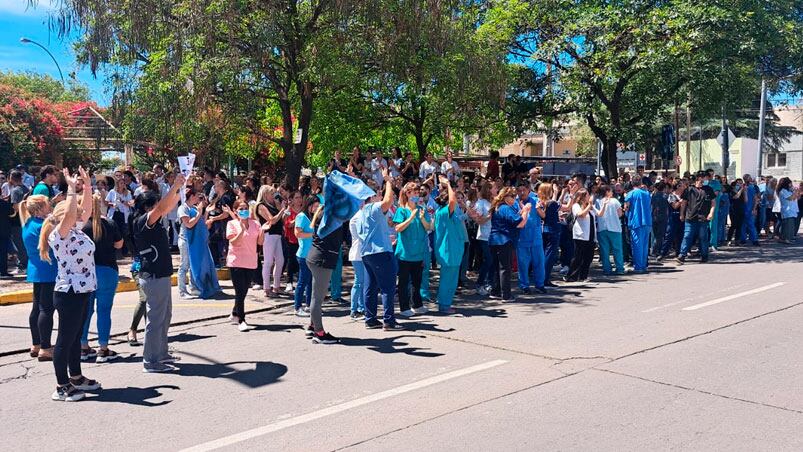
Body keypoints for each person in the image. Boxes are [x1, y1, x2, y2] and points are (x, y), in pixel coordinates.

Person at [42, 167, 100, 401]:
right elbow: (69, 214)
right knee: (64, 341)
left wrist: (86, 185)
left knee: (75, 337)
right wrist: (70, 188)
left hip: (83, 290)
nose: (79, 214)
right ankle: (61, 385)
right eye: (72, 212)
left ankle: (75, 376)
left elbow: (86, 210)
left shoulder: (75, 229)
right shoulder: (60, 233)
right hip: (69, 293)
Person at [133, 173, 186, 373]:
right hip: (153, 276)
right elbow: (163, 207)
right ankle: (150, 361)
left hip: (161, 275)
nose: (160, 209)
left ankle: (161, 353)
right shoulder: (142, 221)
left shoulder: (152, 219)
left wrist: (179, 189)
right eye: (154, 205)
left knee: (164, 317)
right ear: (148, 207)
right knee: (155, 320)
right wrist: (174, 187)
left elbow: (168, 206)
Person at [80, 194, 124, 363]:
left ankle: (83, 347)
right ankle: (103, 348)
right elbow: (119, 244)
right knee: (104, 311)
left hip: (87, 272)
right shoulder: (109, 223)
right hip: (107, 270)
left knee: (86, 311)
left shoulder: (82, 226)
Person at [357, 168, 401, 330]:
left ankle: (370, 318)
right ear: (370, 198)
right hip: (381, 253)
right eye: (376, 194)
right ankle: (389, 320)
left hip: (368, 253)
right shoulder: (372, 208)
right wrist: (387, 180)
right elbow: (388, 201)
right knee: (388, 287)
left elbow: (371, 232)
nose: (379, 196)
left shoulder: (361, 213)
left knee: (370, 287)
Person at [21, 195, 57, 362]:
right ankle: (45, 347)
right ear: (40, 208)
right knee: (46, 309)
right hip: (48, 269)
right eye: (47, 204)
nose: (50, 206)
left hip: (36, 269)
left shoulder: (27, 223)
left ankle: (36, 344)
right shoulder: (43, 225)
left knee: (37, 308)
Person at [305, 201, 342, 344]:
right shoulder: (330, 218)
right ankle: (319, 333)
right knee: (317, 298)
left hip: (316, 257)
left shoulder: (326, 214)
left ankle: (312, 326)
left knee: (317, 295)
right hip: (322, 260)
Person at [393, 182, 432, 317]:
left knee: (417, 281)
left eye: (417, 192)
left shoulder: (422, 209)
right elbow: (397, 228)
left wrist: (421, 218)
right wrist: (410, 217)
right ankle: (404, 307)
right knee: (404, 282)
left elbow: (428, 227)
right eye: (414, 192)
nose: (416, 195)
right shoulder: (401, 210)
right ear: (407, 194)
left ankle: (417, 304)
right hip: (405, 253)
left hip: (419, 252)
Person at [224, 201, 264, 331]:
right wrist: (241, 231)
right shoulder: (231, 224)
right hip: (236, 262)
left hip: (251, 261)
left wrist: (263, 231)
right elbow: (233, 242)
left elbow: (259, 242)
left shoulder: (255, 224)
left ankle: (235, 312)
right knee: (239, 290)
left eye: (246, 208)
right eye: (241, 209)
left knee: (244, 291)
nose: (244, 210)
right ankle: (241, 319)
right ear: (235, 211)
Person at [488, 187, 530, 300]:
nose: (514, 198)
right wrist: (525, 211)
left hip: (494, 240)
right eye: (512, 196)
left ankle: (495, 291)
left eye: (514, 196)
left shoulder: (498, 207)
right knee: (505, 268)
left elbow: (513, 219)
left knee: (497, 267)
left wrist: (522, 212)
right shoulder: (505, 208)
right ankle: (506, 295)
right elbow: (518, 222)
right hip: (504, 240)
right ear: (505, 196)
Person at [434, 176, 465, 313]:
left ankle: (446, 302)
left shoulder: (444, 213)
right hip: (449, 250)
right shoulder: (444, 212)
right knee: (448, 279)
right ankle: (444, 304)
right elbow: (452, 200)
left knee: (451, 278)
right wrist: (448, 184)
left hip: (453, 249)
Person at [677, 171, 717, 264]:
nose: (706, 180)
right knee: (687, 236)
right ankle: (682, 255)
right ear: (699, 178)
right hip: (690, 217)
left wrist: (711, 213)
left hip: (703, 218)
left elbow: (713, 202)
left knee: (703, 237)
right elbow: (684, 203)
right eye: (704, 178)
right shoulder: (689, 189)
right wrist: (682, 214)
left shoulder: (708, 189)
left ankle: (704, 255)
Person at [515, 183, 546, 294]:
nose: (522, 192)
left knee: (539, 262)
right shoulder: (514, 203)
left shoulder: (535, 200)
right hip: (522, 237)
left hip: (536, 236)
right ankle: (524, 285)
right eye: (520, 190)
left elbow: (543, 216)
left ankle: (540, 284)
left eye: (524, 189)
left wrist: (538, 209)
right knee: (523, 264)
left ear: (528, 190)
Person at [256, 185, 287, 297]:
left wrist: (281, 207)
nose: (273, 195)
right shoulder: (261, 206)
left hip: (277, 234)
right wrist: (282, 210)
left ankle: (276, 286)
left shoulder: (273, 204)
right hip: (268, 234)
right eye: (271, 193)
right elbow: (272, 220)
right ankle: (266, 288)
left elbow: (281, 219)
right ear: (265, 194)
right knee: (268, 262)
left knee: (280, 260)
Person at [176, 189, 205, 299]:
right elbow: (188, 224)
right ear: (191, 196)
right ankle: (182, 291)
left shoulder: (193, 208)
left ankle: (193, 287)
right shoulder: (183, 208)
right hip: (185, 240)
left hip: (193, 240)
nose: (198, 198)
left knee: (192, 265)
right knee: (184, 265)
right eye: (197, 195)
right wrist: (199, 214)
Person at [293, 196, 318, 317]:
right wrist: (312, 234)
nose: (317, 208)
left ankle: (309, 305)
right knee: (302, 281)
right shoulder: (301, 217)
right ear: (309, 205)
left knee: (310, 282)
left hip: (312, 254)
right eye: (315, 206)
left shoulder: (312, 217)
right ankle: (297, 307)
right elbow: (297, 233)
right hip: (304, 254)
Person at [565, 189, 595, 282]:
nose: (589, 197)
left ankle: (583, 276)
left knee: (588, 257)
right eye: (587, 195)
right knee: (578, 256)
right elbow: (581, 215)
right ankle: (571, 276)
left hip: (590, 234)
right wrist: (589, 205)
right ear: (582, 197)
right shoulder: (576, 206)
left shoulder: (589, 207)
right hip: (580, 235)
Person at [469, 182, 493, 295]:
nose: (496, 190)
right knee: (488, 260)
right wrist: (489, 216)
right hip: (484, 235)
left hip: (496, 236)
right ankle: (480, 283)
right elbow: (477, 220)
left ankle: (491, 283)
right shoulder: (481, 203)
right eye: (493, 188)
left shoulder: (497, 201)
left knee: (493, 261)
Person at [595, 185, 624, 275]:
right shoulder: (614, 201)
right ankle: (619, 268)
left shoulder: (598, 201)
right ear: (607, 192)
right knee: (617, 249)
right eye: (611, 191)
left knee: (604, 250)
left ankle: (607, 269)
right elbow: (620, 214)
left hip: (602, 228)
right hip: (614, 228)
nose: (612, 192)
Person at [624, 178, 652, 273]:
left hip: (636, 221)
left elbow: (626, 207)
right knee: (644, 245)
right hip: (647, 221)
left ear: (632, 183)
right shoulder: (647, 193)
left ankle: (638, 267)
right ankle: (643, 265)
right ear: (640, 183)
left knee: (637, 245)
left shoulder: (630, 194)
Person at [537, 183, 560, 287]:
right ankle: (545, 278)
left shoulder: (541, 202)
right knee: (550, 255)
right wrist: (558, 193)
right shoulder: (552, 203)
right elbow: (565, 206)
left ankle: (542, 277)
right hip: (553, 230)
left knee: (544, 254)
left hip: (544, 230)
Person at [106, 177, 134, 256]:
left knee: (123, 232)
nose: (122, 185)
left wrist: (123, 201)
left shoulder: (127, 192)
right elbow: (107, 202)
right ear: (117, 184)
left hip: (123, 214)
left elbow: (130, 203)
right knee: (114, 231)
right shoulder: (112, 192)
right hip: (114, 213)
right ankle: (114, 251)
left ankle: (124, 251)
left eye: (123, 183)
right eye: (121, 183)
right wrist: (112, 204)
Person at [282, 191, 302, 293]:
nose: (299, 200)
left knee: (300, 261)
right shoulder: (289, 210)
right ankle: (289, 282)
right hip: (291, 239)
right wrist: (298, 219)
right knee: (291, 260)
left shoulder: (303, 210)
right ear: (292, 200)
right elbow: (287, 224)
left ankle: (300, 282)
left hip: (302, 239)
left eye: (300, 197)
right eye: (296, 198)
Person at [776, 177, 800, 244]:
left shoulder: (789, 190)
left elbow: (795, 197)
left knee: (788, 225)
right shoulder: (783, 191)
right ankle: (786, 239)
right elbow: (790, 198)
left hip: (791, 210)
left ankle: (783, 238)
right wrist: (795, 192)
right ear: (786, 183)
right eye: (790, 183)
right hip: (787, 210)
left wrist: (797, 192)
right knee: (788, 226)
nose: (791, 184)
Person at [740, 174, 760, 246]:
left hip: (749, 208)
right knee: (744, 224)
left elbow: (755, 199)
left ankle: (754, 240)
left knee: (750, 224)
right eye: (748, 178)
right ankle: (744, 239)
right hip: (744, 208)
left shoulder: (751, 187)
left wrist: (754, 208)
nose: (750, 179)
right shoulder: (744, 187)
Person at [650, 182, 669, 257]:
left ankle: (654, 250)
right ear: (664, 188)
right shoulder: (665, 196)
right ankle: (656, 250)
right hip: (662, 217)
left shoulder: (653, 196)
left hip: (654, 217)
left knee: (655, 235)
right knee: (660, 235)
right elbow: (667, 208)